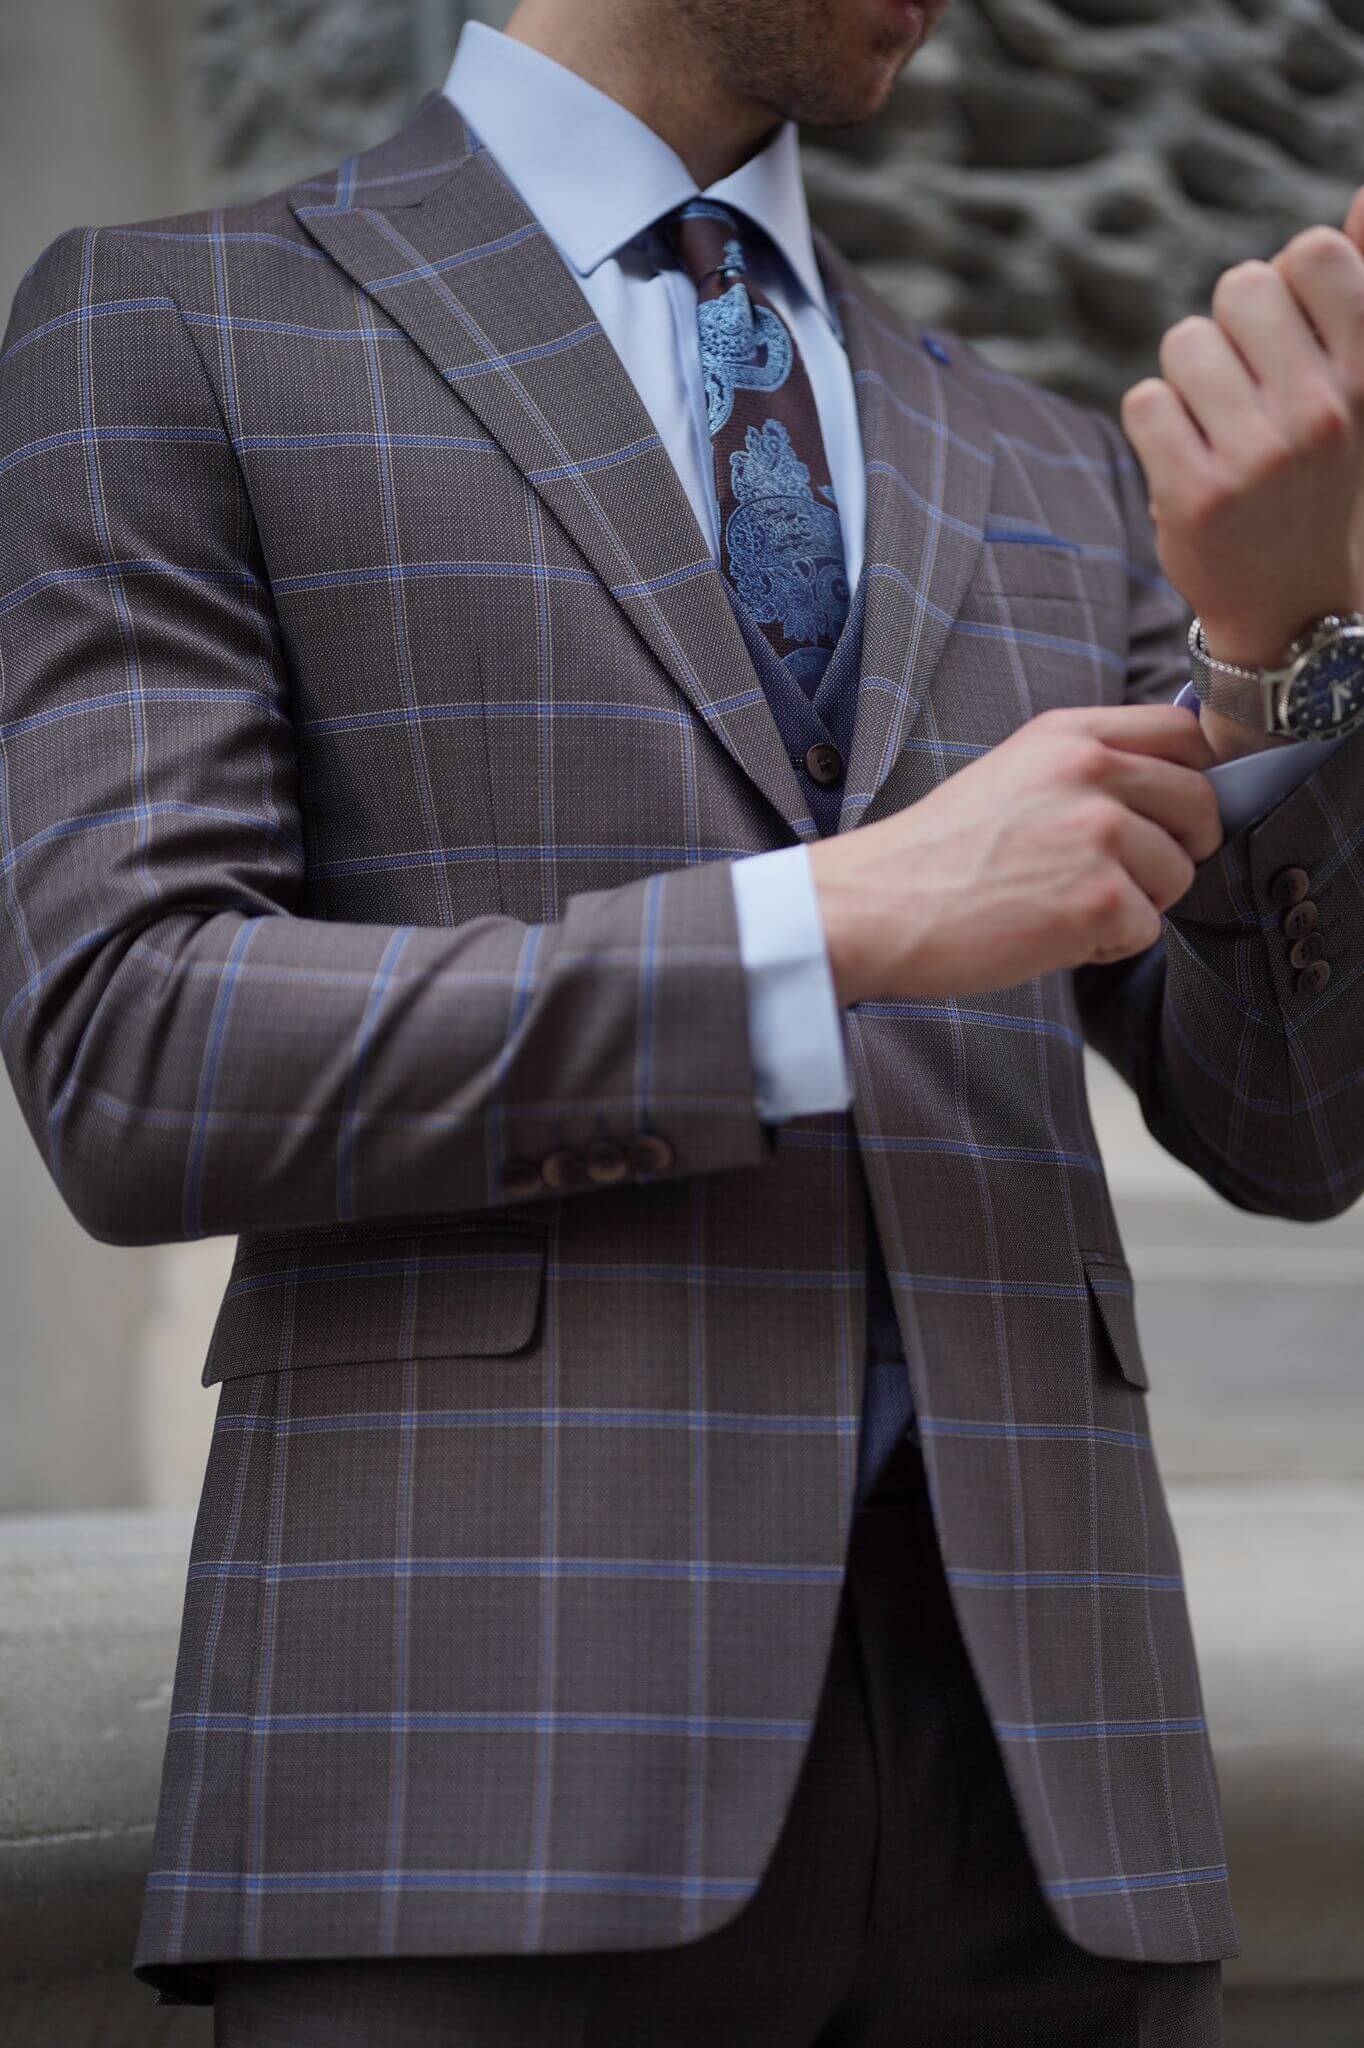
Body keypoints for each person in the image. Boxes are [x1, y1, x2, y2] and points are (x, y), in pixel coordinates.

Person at [3, 1, 1363, 2041]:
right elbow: (135, 1049)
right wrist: (818, 930)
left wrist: (1273, 656)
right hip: (477, 1786)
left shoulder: (1042, 449)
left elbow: (1288, 1129)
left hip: (1051, 1808)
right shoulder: (173, 327)